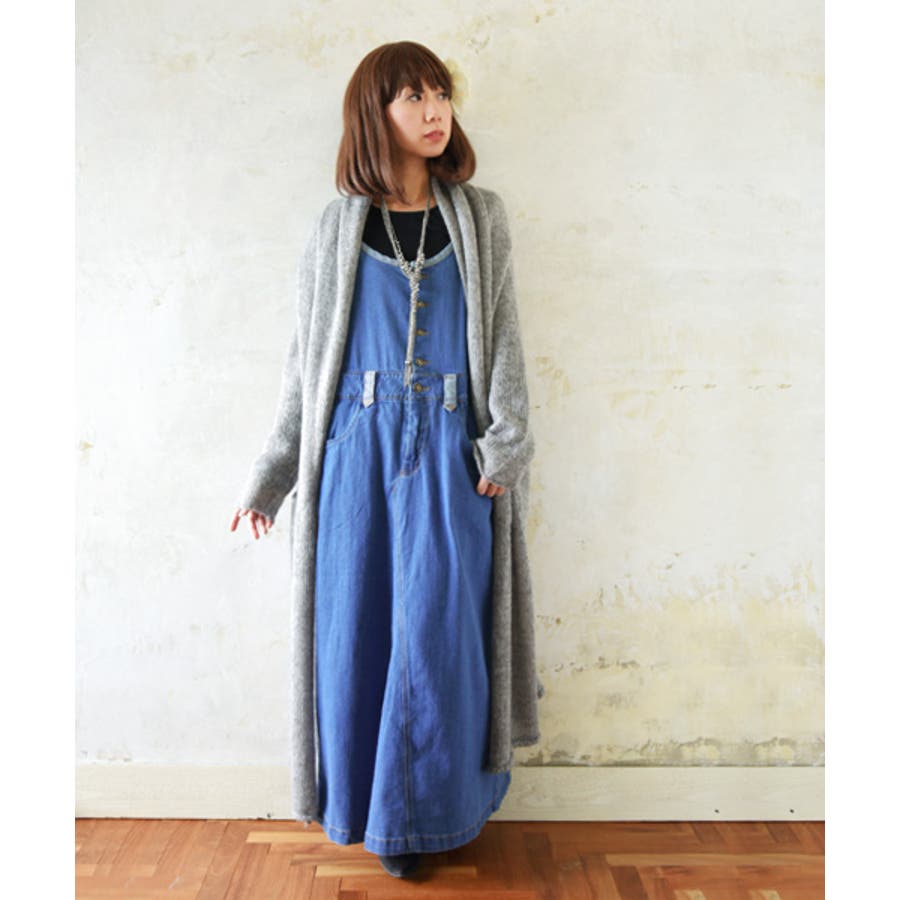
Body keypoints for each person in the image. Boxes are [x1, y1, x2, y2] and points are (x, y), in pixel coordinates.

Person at [230, 41, 540, 880]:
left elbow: (505, 342)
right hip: (353, 462)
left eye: (441, 94)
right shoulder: (336, 229)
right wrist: (272, 476)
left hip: (453, 456)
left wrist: (507, 444)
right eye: (413, 97)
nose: (435, 111)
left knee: (440, 642)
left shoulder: (480, 218)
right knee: (356, 638)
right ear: (375, 113)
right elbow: (305, 366)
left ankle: (432, 820)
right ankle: (376, 819)